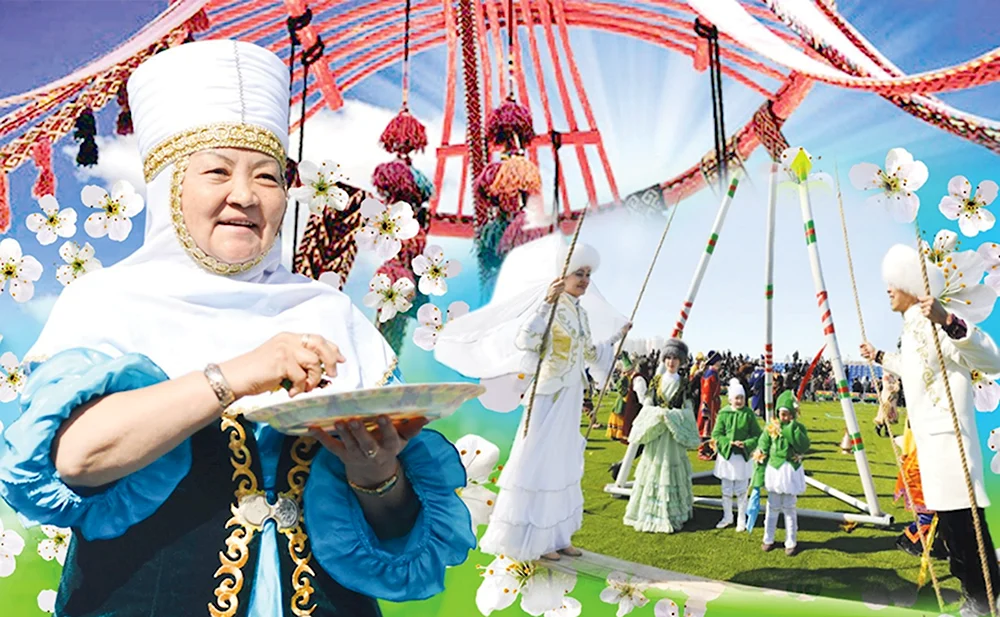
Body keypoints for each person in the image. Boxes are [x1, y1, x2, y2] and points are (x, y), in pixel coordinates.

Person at [0, 41, 475, 617]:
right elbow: (76, 458)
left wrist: (375, 474)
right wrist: (238, 374)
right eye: (217, 172)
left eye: (268, 178)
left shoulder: (329, 312)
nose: (245, 196)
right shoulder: (106, 303)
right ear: (168, 186)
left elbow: (397, 529)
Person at [435, 235, 630, 562]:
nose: (584, 281)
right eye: (578, 273)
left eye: (587, 275)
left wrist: (616, 340)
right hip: (547, 395)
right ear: (562, 275)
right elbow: (527, 340)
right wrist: (545, 305)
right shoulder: (550, 306)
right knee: (539, 464)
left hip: (569, 396)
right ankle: (533, 541)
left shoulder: (580, 315)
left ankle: (558, 535)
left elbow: (589, 353)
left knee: (564, 464)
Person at [861, 244, 1000, 617]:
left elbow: (992, 359)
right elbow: (912, 367)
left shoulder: (939, 321)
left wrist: (949, 321)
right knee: (955, 530)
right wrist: (878, 357)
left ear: (909, 282)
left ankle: (982, 599)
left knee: (964, 528)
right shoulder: (911, 328)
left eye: (892, 281)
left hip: (950, 444)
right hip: (930, 446)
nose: (887, 289)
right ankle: (980, 594)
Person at [622, 338, 700, 533]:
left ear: (681, 361)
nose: (671, 362)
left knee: (671, 469)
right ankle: (649, 512)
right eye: (668, 358)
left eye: (675, 358)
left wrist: (674, 417)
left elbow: (689, 408)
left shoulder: (684, 383)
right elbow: (648, 403)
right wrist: (655, 415)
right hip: (657, 433)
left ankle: (674, 513)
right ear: (664, 359)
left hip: (672, 436)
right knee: (653, 468)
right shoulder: (656, 381)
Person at [752, 390, 810, 556]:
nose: (783, 418)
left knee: (790, 508)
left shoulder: (798, 428)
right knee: (772, 507)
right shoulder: (771, 428)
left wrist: (791, 428)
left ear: (792, 414)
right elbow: (763, 444)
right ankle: (768, 538)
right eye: (781, 414)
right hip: (774, 471)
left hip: (790, 472)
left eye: (786, 414)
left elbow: (803, 445)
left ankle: (791, 541)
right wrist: (760, 453)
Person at [711, 378, 762, 531]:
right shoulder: (723, 413)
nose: (739, 401)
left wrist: (746, 444)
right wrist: (728, 442)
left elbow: (757, 435)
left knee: (741, 490)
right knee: (726, 489)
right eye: (736, 398)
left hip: (742, 457)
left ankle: (741, 518)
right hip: (727, 457)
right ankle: (727, 517)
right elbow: (717, 434)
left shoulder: (749, 414)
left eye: (742, 398)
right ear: (730, 399)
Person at [607, 354, 641, 443]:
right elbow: (620, 387)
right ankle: (615, 434)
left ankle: (619, 434)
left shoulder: (631, 378)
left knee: (623, 415)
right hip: (623, 400)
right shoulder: (624, 378)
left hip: (627, 400)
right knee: (619, 415)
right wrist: (625, 394)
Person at [697, 351, 722, 460]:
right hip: (709, 404)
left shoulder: (713, 373)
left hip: (713, 403)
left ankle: (710, 449)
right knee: (706, 427)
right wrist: (705, 406)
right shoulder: (710, 374)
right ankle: (703, 450)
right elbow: (707, 391)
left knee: (712, 428)